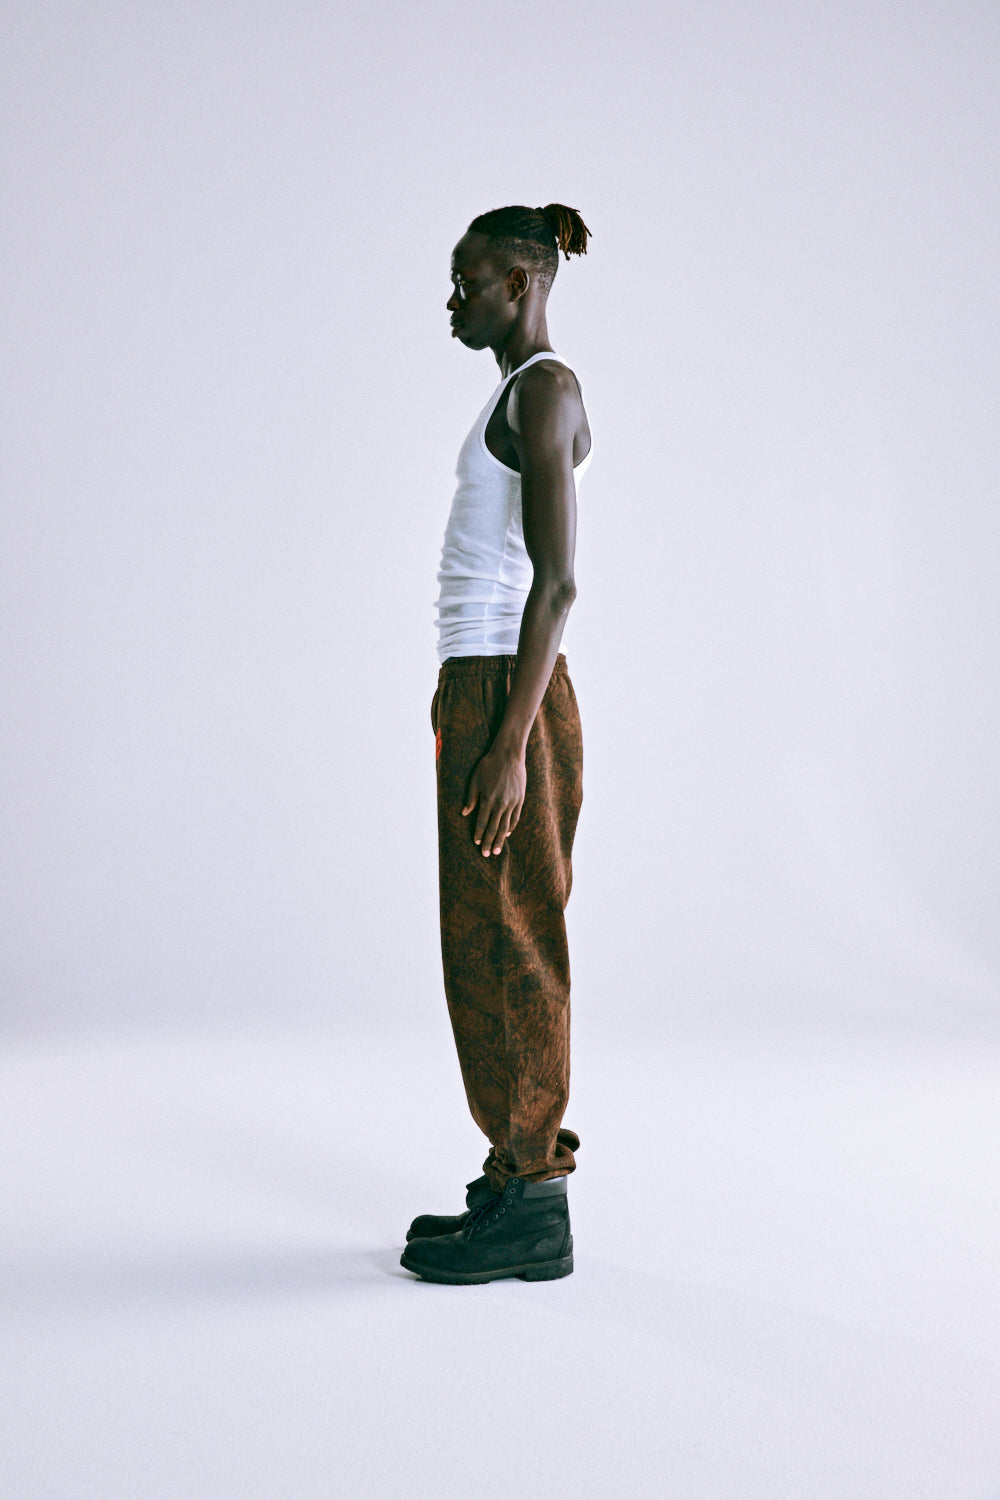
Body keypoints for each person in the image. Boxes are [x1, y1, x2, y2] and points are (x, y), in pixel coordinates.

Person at [400, 204, 593, 1286]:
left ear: (520, 281)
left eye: (466, 281)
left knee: (512, 940)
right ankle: (513, 1170)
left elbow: (557, 584)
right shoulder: (515, 392)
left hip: (504, 694)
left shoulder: (545, 390)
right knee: (482, 940)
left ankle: (534, 1204)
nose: (453, 300)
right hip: (478, 691)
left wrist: (510, 743)